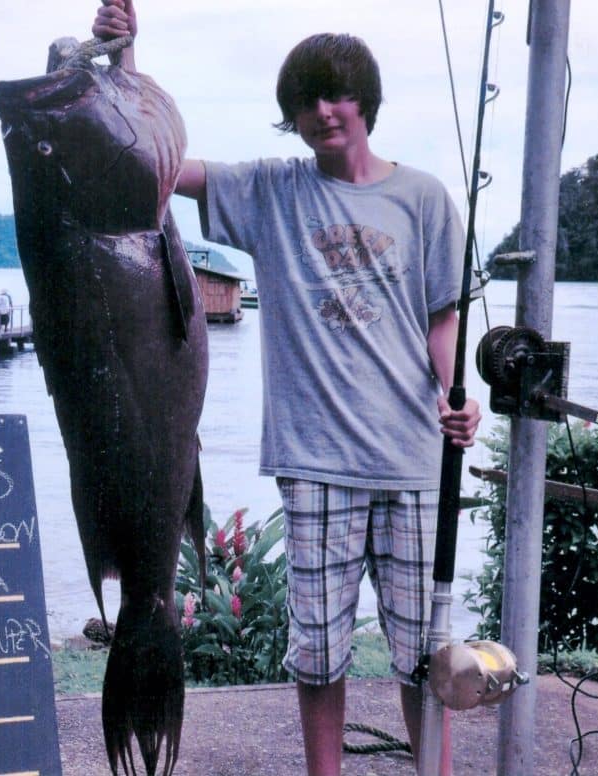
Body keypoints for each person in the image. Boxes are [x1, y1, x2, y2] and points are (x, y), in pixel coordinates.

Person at [93, 3, 481, 775]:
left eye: (336, 95)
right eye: (305, 101)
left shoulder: (427, 199)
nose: (322, 112)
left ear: (365, 101)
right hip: (314, 463)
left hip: (410, 461)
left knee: (420, 655)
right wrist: (123, 60)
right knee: (319, 654)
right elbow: (153, 166)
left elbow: (444, 317)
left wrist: (457, 398)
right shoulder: (272, 191)